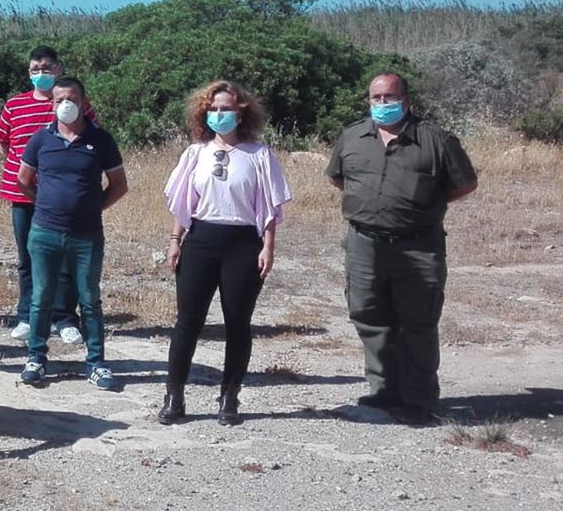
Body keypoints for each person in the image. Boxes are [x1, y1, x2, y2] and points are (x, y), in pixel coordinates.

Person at [326, 72, 477, 425]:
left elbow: (465, 184)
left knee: (418, 323)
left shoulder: (436, 140)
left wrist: (420, 208)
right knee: (369, 317)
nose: (382, 104)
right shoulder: (352, 136)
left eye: (389, 97)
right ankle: (383, 391)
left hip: (418, 246)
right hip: (364, 244)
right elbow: (337, 177)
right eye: (376, 98)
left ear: (406, 100)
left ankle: (419, 400)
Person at [159, 81, 292, 425]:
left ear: (241, 113)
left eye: (227, 108)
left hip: (243, 244)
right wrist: (175, 240)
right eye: (214, 109)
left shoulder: (258, 154)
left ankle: (229, 396)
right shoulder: (196, 153)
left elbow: (268, 206)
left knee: (238, 322)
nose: (220, 115)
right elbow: (183, 203)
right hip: (201, 240)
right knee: (188, 322)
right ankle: (174, 396)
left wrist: (268, 246)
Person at [16, 77, 128, 389]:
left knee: (89, 299)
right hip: (45, 232)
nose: (65, 104)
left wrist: (92, 207)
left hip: (86, 235)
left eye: (72, 98)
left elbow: (119, 185)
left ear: (83, 102)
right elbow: (23, 180)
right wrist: (45, 205)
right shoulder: (41, 139)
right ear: (51, 104)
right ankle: (36, 358)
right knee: (41, 297)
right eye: (59, 100)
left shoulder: (101, 139)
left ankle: (96, 363)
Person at [0, 45, 88, 345]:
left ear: (58, 69)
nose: (41, 73)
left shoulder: (73, 103)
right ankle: (27, 316)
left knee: (65, 259)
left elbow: (90, 134)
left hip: (61, 198)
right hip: (22, 196)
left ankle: (65, 319)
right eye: (36, 69)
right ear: (28, 72)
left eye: (47, 68)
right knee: (27, 259)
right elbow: (4, 142)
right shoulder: (14, 105)